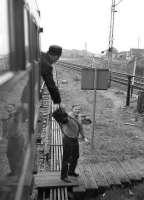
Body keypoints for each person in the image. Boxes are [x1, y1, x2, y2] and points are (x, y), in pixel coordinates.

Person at [52, 107, 85, 183]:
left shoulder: (78, 117)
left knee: (76, 156)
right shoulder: (67, 118)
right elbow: (62, 119)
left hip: (75, 139)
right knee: (66, 158)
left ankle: (71, 171)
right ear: (72, 110)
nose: (77, 110)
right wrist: (61, 111)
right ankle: (63, 176)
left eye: (79, 109)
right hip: (68, 139)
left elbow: (80, 127)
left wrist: (83, 136)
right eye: (76, 109)